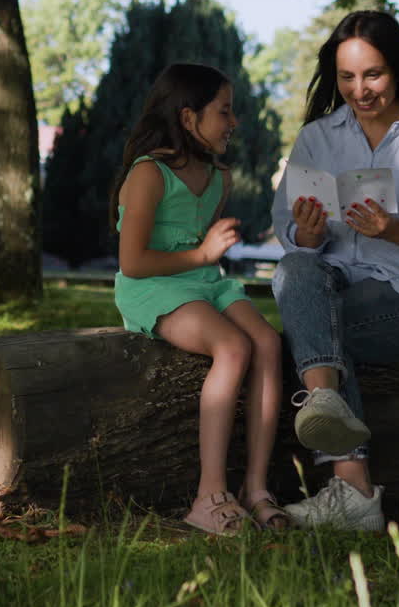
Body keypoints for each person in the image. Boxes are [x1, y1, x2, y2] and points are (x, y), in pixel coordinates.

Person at [271, 11, 399, 531]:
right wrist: (310, 233)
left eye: (372, 74)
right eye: (346, 77)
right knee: (295, 267)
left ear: (397, 68)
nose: (359, 90)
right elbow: (287, 227)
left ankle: (349, 478)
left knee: (311, 336)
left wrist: (392, 229)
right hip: (335, 282)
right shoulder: (318, 137)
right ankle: (328, 410)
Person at [113, 62, 285, 536]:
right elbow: (133, 263)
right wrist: (202, 253)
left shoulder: (218, 178)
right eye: (225, 112)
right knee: (233, 348)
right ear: (189, 119)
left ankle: (255, 488)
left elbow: (202, 259)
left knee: (268, 344)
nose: (234, 123)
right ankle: (208, 497)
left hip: (203, 281)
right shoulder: (148, 174)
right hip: (152, 287)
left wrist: (204, 259)